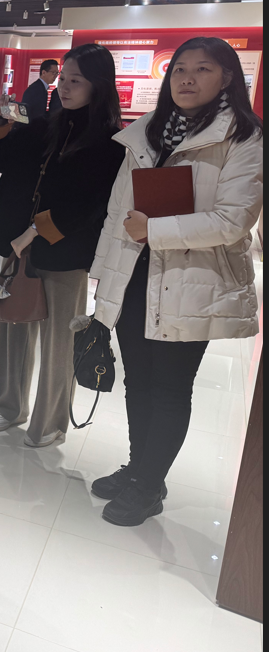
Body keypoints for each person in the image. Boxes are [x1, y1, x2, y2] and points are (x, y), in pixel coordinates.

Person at [88, 37, 262, 526]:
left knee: (169, 387)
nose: (187, 79)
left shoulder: (243, 136)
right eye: (180, 69)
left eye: (202, 69)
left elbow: (234, 220)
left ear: (227, 77)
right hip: (135, 274)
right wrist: (102, 272)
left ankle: (148, 486)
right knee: (137, 381)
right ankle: (138, 469)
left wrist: (156, 231)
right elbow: (117, 211)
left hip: (193, 281)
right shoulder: (147, 133)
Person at [0, 44, 125, 447]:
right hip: (20, 246)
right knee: (13, 325)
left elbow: (90, 204)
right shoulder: (47, 125)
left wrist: (36, 231)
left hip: (65, 251)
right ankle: (10, 405)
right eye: (64, 79)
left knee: (59, 340)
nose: (66, 87)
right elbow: (0, 158)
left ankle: (51, 422)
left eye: (77, 80)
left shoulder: (110, 140)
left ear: (98, 85)